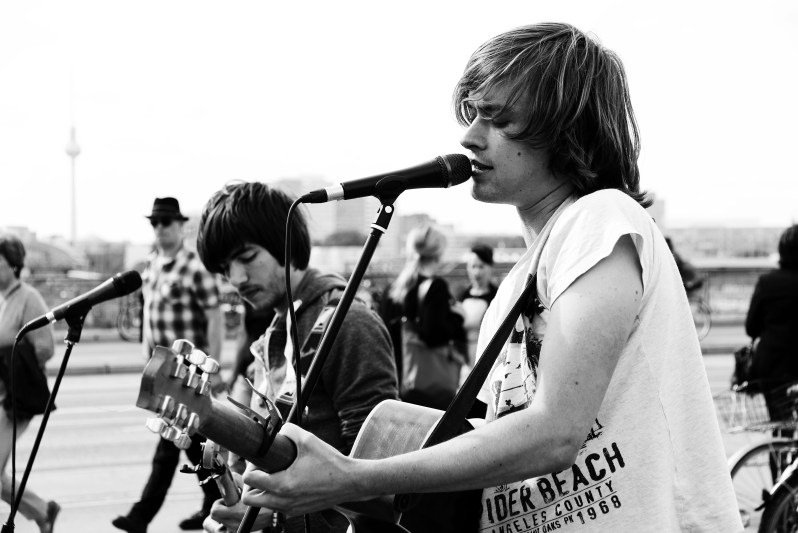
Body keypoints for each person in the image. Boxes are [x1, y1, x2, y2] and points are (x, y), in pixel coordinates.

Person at [239, 23, 742, 532]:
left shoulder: (600, 220)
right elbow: (486, 463)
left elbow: (554, 433)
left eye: (497, 119)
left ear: (565, 132)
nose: (469, 135)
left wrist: (354, 477)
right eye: (471, 113)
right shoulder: (511, 292)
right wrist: (301, 499)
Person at [195, 181, 398, 533]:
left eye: (246, 259)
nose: (236, 279)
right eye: (224, 269)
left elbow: (379, 479)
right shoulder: (275, 331)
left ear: (284, 244)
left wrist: (275, 515)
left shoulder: (347, 323)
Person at [113, 197, 223, 533]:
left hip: (189, 373)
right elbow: (148, 316)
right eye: (155, 223)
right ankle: (215, 505)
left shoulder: (194, 266)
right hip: (163, 371)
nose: (160, 229)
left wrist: (213, 370)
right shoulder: (152, 265)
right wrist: (147, 362)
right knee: (188, 443)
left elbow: (215, 317)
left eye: (166, 223)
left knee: (174, 444)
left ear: (179, 226)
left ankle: (141, 516)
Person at [0, 236, 60, 533]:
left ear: (13, 265)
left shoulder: (28, 297)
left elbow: (45, 346)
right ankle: (42, 509)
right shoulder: (3, 298)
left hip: (14, 398)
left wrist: (12, 359)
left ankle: (42, 510)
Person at [386, 224, 467, 410]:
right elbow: (434, 335)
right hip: (425, 385)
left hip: (395, 378)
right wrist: (458, 318)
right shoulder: (435, 287)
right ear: (439, 253)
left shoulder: (394, 288)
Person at [745, 224, 798, 419]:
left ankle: (780, 447)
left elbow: (751, 327)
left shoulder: (768, 282)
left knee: (780, 423)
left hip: (772, 365)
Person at [457, 243, 499, 366]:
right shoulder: (463, 295)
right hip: (462, 359)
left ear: (490, 267)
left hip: (487, 359)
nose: (476, 272)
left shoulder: (496, 296)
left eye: (481, 266)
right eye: (473, 266)